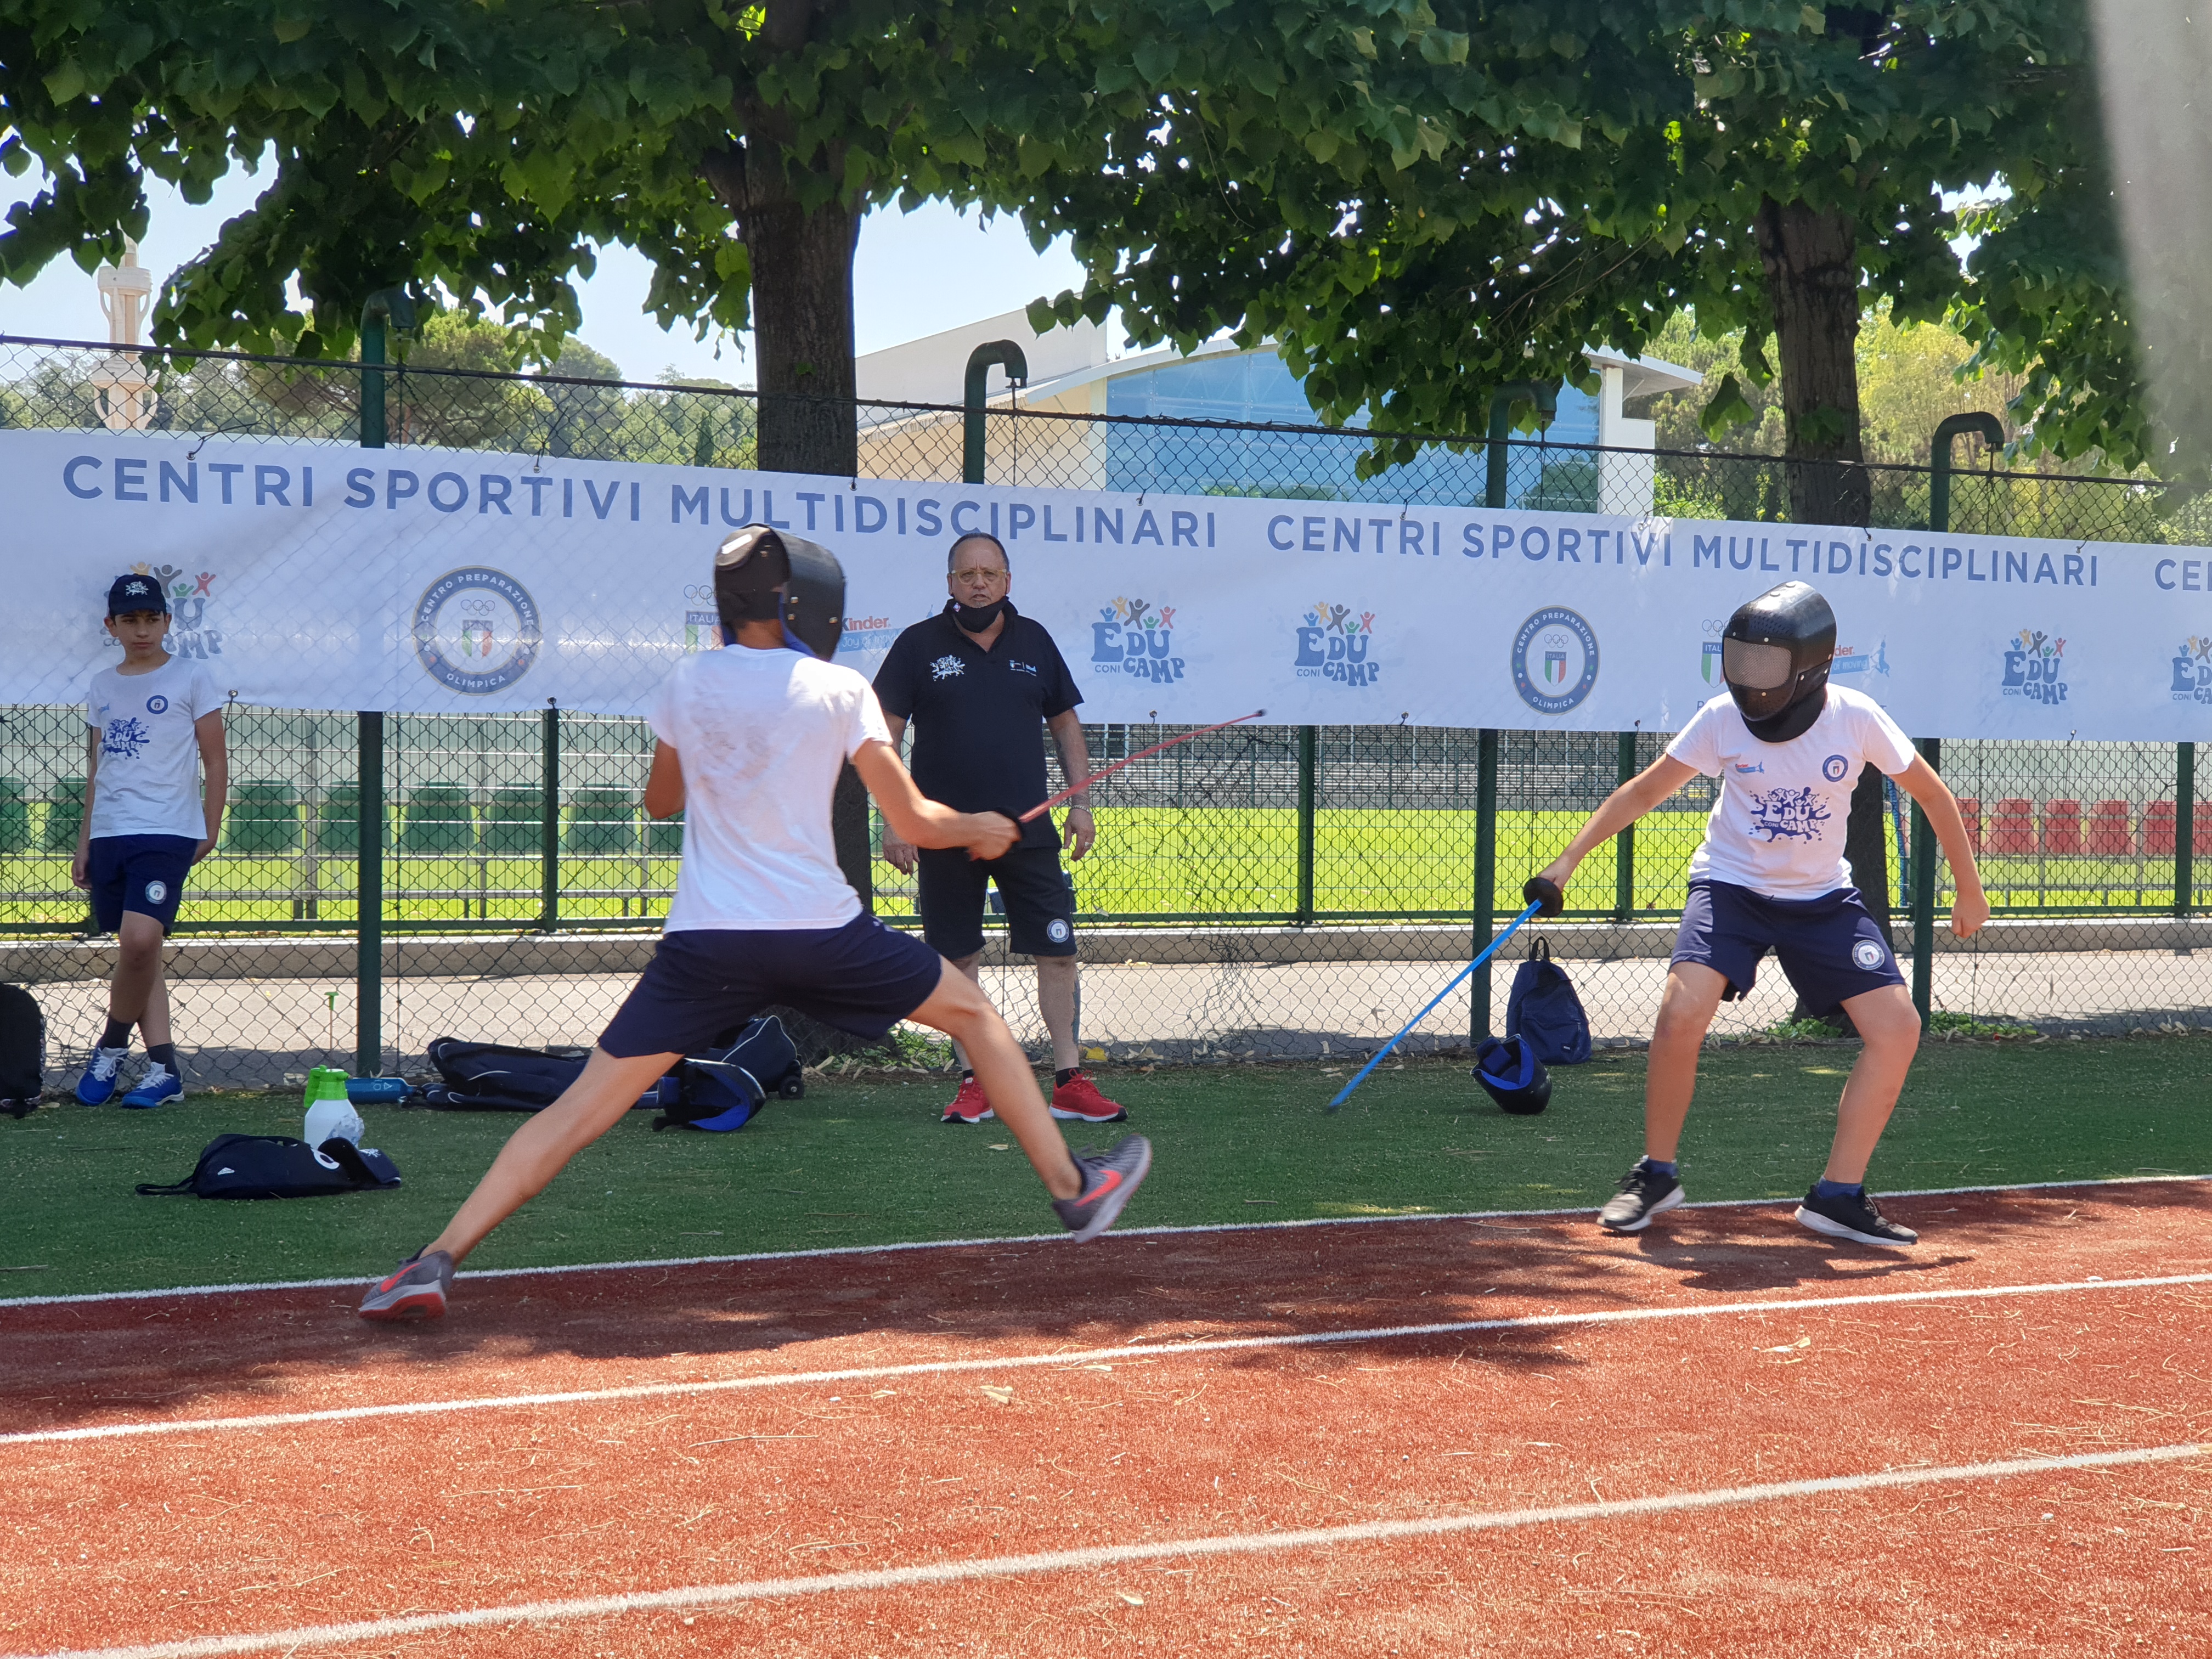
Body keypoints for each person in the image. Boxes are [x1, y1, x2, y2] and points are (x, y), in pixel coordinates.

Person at [359, 526, 1151, 1321]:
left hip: (707, 946)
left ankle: (436, 1260)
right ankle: (1073, 1190)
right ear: (803, 605)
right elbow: (912, 816)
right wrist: (978, 829)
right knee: (977, 1020)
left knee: (576, 1113)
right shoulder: (837, 689)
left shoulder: (688, 681)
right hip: (822, 934)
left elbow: (661, 802)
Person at [1529, 580, 1988, 1248]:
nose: (1751, 678)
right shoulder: (1720, 718)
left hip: (1823, 899)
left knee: (1897, 1029)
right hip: (1731, 888)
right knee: (1681, 1011)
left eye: (1766, 664)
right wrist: (1565, 863)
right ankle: (1656, 1172)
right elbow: (1644, 790)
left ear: (1813, 666)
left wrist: (1968, 890)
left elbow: (1934, 795)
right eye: (1742, 659)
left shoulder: (1856, 717)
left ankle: (1838, 1196)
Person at [874, 531, 1125, 1126]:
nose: (979, 582)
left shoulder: (1035, 640)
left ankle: (1068, 1081)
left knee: (1058, 953)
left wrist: (1081, 804)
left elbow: (1066, 727)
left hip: (1028, 833)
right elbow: (884, 739)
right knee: (957, 960)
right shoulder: (917, 645)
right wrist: (895, 819)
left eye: (990, 572)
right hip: (946, 834)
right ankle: (974, 1080)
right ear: (951, 584)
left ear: (1007, 582)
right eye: (967, 574)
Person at [71, 573, 228, 1109]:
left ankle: (111, 1047)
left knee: (139, 943)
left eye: (151, 619)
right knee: (142, 954)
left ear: (167, 621)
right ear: (111, 625)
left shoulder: (191, 676)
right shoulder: (102, 685)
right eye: (130, 620)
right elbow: (99, 769)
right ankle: (163, 1070)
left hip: (167, 832)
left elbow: (216, 759)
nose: (142, 630)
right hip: (113, 833)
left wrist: (210, 825)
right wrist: (85, 839)